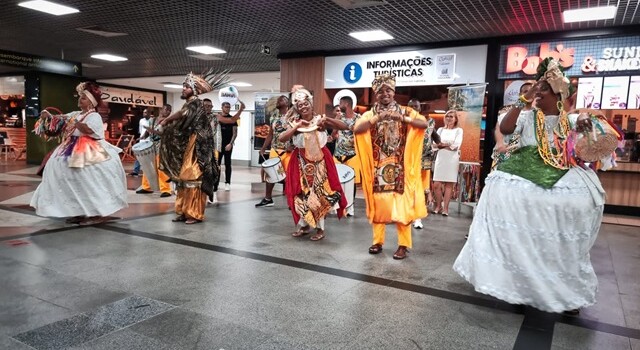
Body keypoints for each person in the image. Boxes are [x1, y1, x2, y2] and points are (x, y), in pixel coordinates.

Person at [453, 58, 618, 314]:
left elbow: (596, 137)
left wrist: (588, 123)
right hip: (522, 168)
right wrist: (524, 100)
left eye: (544, 88)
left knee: (566, 224)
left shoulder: (571, 120)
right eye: (537, 88)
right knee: (513, 214)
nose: (538, 92)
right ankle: (520, 285)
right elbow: (505, 128)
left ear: (559, 94)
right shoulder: (527, 115)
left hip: (563, 170)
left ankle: (567, 291)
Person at [30, 82, 128, 225]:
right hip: (70, 147)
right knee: (67, 177)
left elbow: (89, 131)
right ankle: (77, 211)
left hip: (88, 149)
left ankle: (94, 213)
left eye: (83, 98)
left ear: (91, 102)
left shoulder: (94, 116)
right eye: (80, 97)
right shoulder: (76, 114)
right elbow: (61, 118)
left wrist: (75, 122)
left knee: (88, 179)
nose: (79, 100)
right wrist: (49, 116)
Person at [353, 74, 428, 260]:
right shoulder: (370, 114)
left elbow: (423, 123)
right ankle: (377, 241)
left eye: (388, 90)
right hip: (378, 167)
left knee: (402, 206)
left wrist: (403, 119)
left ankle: (403, 245)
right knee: (379, 204)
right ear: (375, 94)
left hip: (401, 167)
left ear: (394, 92)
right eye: (380, 91)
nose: (384, 94)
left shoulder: (406, 111)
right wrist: (376, 119)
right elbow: (357, 129)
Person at [158, 69, 229, 224]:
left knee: (192, 177)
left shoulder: (195, 103)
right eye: (183, 86)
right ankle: (183, 211)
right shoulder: (191, 103)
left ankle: (194, 213)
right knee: (183, 179)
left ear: (194, 90)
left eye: (186, 87)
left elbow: (182, 114)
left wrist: (166, 121)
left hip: (198, 146)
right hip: (191, 143)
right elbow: (182, 115)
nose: (183, 89)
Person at [279, 88, 347, 241]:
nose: (303, 107)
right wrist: (296, 127)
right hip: (300, 162)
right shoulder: (295, 123)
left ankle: (320, 228)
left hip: (320, 162)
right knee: (301, 194)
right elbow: (282, 138)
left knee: (319, 194)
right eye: (300, 105)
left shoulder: (320, 121)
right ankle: (304, 225)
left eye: (305, 104)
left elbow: (344, 126)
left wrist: (328, 120)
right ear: (296, 108)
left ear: (311, 104)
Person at [407, 98, 440, 229]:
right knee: (408, 188)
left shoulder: (429, 121)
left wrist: (439, 143)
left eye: (416, 106)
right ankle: (408, 215)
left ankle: (418, 217)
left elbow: (434, 135)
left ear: (420, 108)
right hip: (408, 159)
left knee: (422, 189)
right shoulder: (404, 121)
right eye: (411, 106)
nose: (413, 109)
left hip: (425, 158)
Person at [327, 95, 361, 217]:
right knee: (335, 182)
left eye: (340, 103)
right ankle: (336, 206)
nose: (338, 105)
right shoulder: (339, 118)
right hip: (338, 154)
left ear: (346, 104)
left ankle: (350, 207)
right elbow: (334, 134)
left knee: (351, 183)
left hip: (352, 155)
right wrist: (335, 123)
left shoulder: (358, 118)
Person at [256, 95, 291, 208]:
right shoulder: (274, 116)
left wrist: (294, 145)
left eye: (281, 99)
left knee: (289, 176)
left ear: (287, 103)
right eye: (278, 100)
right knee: (270, 175)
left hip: (288, 151)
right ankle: (268, 198)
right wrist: (263, 148)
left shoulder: (293, 117)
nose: (278, 101)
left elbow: (298, 132)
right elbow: (270, 134)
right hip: (275, 150)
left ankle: (293, 201)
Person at [432, 110, 463, 217]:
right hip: (441, 158)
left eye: (451, 116)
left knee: (449, 184)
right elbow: (434, 145)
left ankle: (445, 208)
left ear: (455, 119)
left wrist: (442, 145)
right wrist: (446, 144)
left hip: (452, 160)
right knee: (436, 184)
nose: (449, 118)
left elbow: (456, 146)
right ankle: (438, 205)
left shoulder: (459, 130)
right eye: (447, 116)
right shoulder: (440, 130)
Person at [137, 104, 173, 197]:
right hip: (152, 146)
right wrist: (143, 136)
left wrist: (151, 131)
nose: (168, 112)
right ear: (161, 110)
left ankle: (166, 189)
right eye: (167, 109)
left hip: (163, 147)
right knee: (148, 167)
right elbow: (148, 132)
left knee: (161, 169)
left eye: (170, 110)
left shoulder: (170, 121)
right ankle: (146, 187)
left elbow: (163, 134)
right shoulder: (152, 120)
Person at [218, 100, 245, 191]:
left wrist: (230, 143)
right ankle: (215, 183)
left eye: (229, 107)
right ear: (222, 107)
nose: (228, 109)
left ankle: (227, 182)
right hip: (218, 145)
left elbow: (235, 133)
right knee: (216, 165)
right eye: (226, 107)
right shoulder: (217, 117)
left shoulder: (233, 119)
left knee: (227, 164)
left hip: (228, 145)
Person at [203, 98, 222, 205]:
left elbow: (218, 133)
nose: (208, 108)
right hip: (199, 149)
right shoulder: (196, 118)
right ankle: (200, 195)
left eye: (210, 106)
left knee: (213, 172)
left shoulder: (214, 118)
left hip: (212, 149)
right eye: (206, 106)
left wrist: (218, 148)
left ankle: (212, 194)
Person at [129, 108, 152, 176]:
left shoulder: (152, 121)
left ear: (149, 113)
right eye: (143, 112)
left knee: (149, 157)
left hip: (149, 141)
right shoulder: (141, 120)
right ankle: (136, 170)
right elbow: (140, 130)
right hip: (142, 140)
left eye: (145, 112)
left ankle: (149, 171)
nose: (144, 114)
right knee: (139, 155)